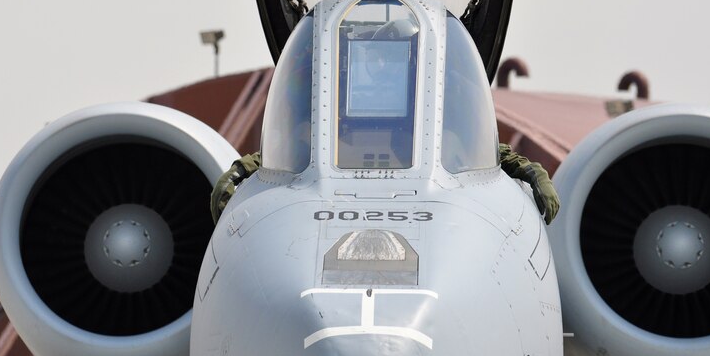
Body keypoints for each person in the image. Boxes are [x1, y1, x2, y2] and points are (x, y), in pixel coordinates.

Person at [210, 145, 559, 225]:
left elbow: (483, 151)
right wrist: (243, 169)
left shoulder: (436, 131)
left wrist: (530, 171)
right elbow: (290, 149)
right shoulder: (332, 124)